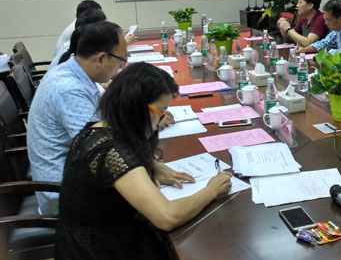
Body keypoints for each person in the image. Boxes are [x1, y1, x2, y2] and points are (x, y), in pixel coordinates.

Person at [55, 63, 232, 260]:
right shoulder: (111, 152)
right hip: (99, 250)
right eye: (160, 112)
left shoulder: (98, 129)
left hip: (102, 235)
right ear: (137, 107)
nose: (160, 121)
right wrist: (211, 191)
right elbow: (167, 217)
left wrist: (152, 165)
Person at [27, 20, 128, 215]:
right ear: (101, 58)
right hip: (63, 194)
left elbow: (102, 121)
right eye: (121, 59)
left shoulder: (75, 71)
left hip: (75, 174)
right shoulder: (68, 89)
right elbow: (101, 149)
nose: (122, 66)